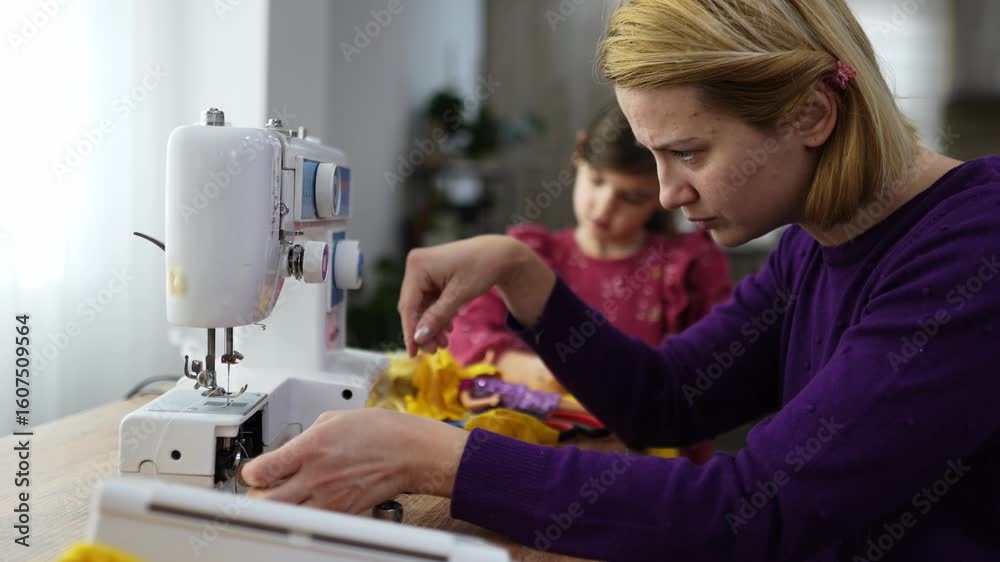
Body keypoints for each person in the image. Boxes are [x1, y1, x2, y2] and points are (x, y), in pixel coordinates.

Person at [241, 1, 1000, 560]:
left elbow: (757, 513)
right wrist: (523, 274)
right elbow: (668, 398)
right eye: (655, 156)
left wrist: (437, 458)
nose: (666, 194)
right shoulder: (816, 240)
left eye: (689, 153)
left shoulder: (973, 249)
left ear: (811, 114)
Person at [447, 103, 729, 462]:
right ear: (578, 153)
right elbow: (466, 335)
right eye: (596, 181)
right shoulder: (531, 257)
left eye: (631, 197)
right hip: (534, 461)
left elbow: (710, 380)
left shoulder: (688, 268)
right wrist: (544, 374)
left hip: (652, 468)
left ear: (664, 195)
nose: (603, 207)